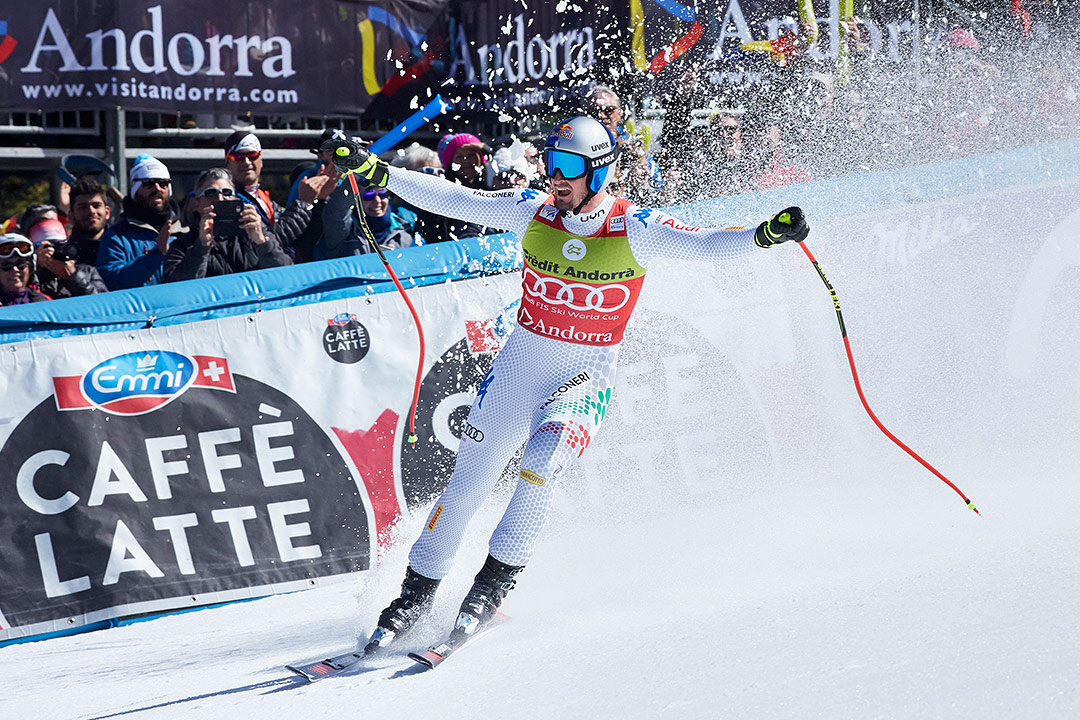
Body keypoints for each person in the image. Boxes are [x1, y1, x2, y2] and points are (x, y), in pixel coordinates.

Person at [325, 115, 809, 653]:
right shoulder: (533, 211)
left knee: (541, 462)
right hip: (520, 366)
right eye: (552, 164)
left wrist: (767, 234)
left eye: (570, 168)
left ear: (599, 173)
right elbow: (456, 200)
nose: (556, 177)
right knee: (468, 483)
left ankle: (490, 588)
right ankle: (413, 597)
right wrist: (377, 170)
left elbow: (711, 245)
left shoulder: (634, 228)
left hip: (585, 376)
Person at [163, 168, 292, 281]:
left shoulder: (254, 235)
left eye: (227, 193)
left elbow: (286, 275)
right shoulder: (182, 246)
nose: (220, 199)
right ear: (197, 203)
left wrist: (262, 242)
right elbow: (178, 287)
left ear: (236, 199)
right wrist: (202, 246)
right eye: (210, 193)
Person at [223, 130, 325, 256]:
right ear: (227, 163)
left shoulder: (264, 198)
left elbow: (300, 238)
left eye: (252, 155)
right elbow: (271, 240)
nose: (247, 162)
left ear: (261, 160)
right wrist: (303, 203)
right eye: (238, 157)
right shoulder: (227, 200)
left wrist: (320, 199)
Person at [97, 154, 185, 290]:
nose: (157, 189)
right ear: (135, 188)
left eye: (163, 183)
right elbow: (110, 283)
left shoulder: (185, 232)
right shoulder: (117, 236)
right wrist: (156, 255)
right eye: (148, 183)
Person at [320, 185, 414, 257]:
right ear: (357, 200)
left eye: (382, 194)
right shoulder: (345, 230)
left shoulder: (405, 227)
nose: (377, 201)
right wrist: (357, 179)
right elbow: (336, 210)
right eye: (369, 195)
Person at [28, 217, 108, 298]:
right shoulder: (27, 276)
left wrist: (73, 277)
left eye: (59, 245)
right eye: (47, 246)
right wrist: (37, 269)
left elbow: (103, 303)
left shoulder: (88, 272)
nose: (54, 251)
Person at [67, 176, 114, 266]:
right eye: (83, 207)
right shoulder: (65, 256)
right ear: (71, 216)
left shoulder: (123, 250)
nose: (91, 211)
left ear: (107, 212)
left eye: (96, 205)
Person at [0, 234, 51, 306]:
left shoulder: (46, 304)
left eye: (21, 265)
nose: (15, 270)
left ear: (30, 268)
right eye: (7, 266)